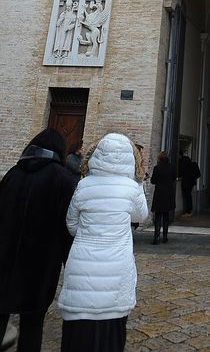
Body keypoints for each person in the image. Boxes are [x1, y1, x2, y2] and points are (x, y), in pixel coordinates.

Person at [0, 128, 77, 352]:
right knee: (32, 330)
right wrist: (73, 268)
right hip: (37, 269)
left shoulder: (12, 174)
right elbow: (67, 230)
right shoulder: (63, 179)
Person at [57, 132, 148, 352]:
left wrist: (89, 234)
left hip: (82, 265)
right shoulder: (131, 188)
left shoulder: (83, 185)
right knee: (111, 328)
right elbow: (141, 215)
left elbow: (72, 225)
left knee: (78, 332)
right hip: (116, 266)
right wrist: (138, 182)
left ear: (97, 155)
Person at [150, 151, 175, 244]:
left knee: (158, 216)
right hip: (168, 193)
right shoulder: (171, 167)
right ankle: (165, 237)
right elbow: (173, 178)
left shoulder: (157, 168)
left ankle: (156, 237)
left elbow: (153, 181)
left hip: (159, 194)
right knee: (166, 216)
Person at [177, 152, 200, 217]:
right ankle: (189, 210)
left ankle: (188, 211)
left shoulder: (183, 163)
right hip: (191, 182)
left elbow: (180, 172)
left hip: (186, 182)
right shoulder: (191, 163)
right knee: (188, 196)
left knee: (187, 196)